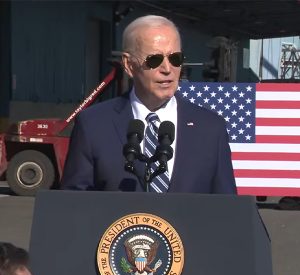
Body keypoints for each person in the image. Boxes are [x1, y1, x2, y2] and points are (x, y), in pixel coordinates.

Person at [60, 15, 237, 194]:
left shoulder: (211, 128)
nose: (167, 69)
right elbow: (73, 205)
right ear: (129, 65)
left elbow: (228, 210)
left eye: (175, 58)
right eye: (155, 60)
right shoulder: (93, 125)